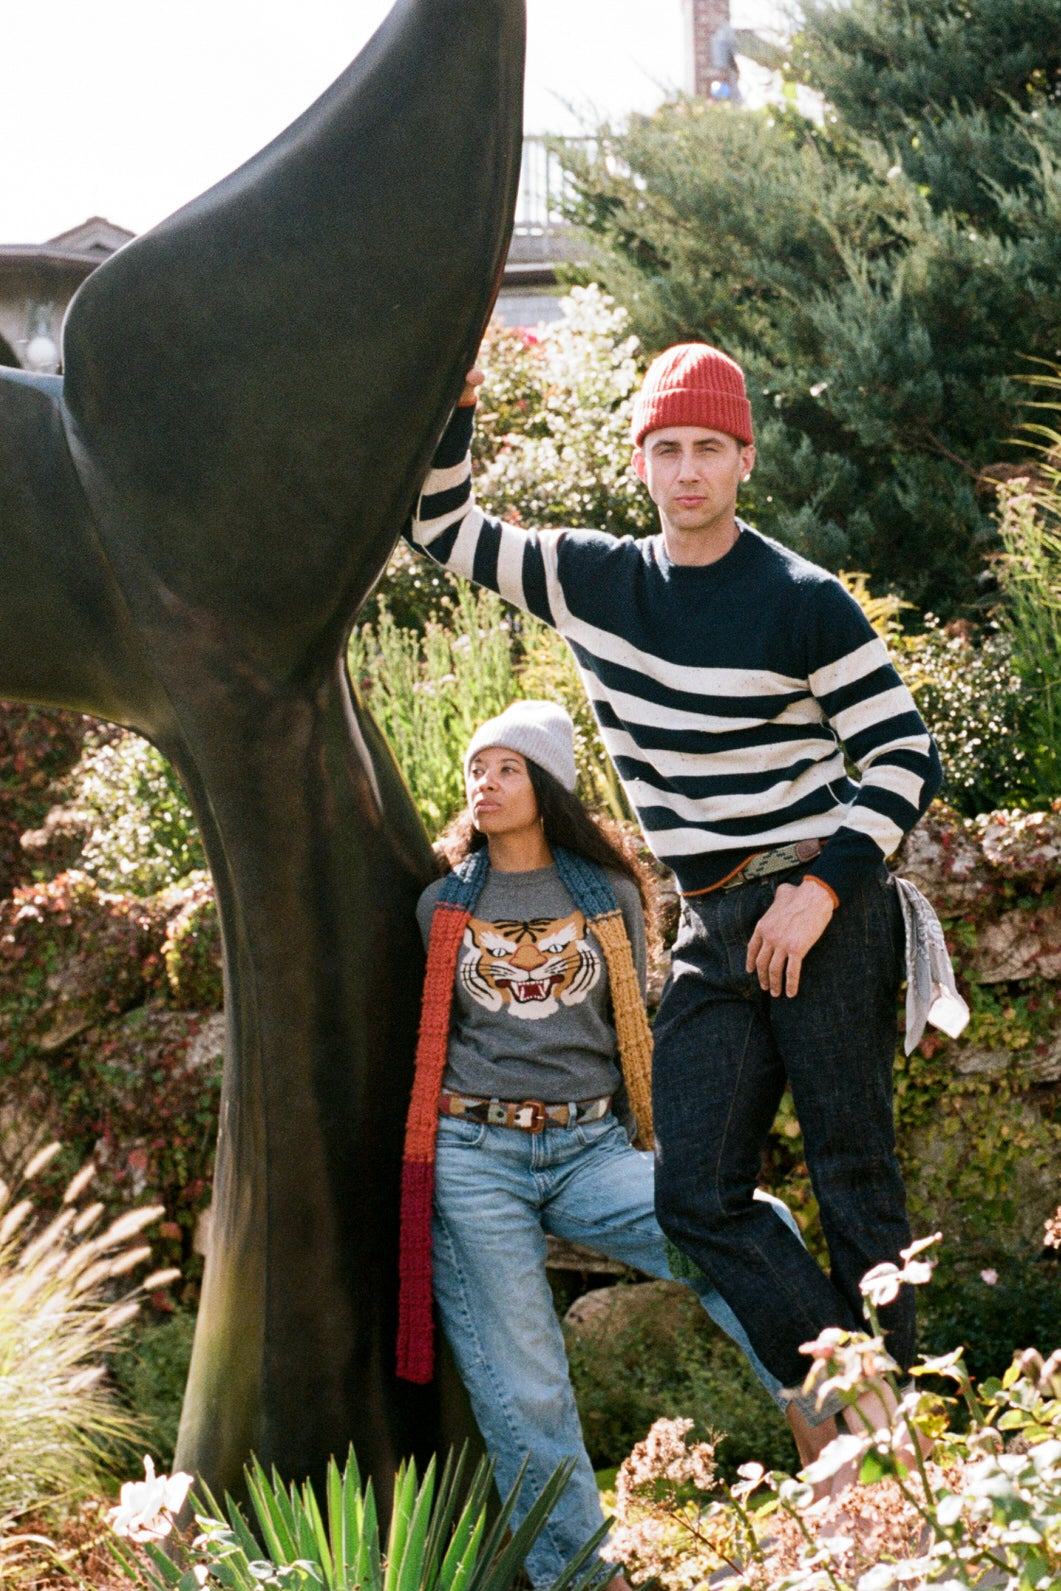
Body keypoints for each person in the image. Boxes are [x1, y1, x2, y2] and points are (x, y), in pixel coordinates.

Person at [404, 344, 943, 1461]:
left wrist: (821, 889)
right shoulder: (590, 578)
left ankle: (896, 1458)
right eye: (666, 449)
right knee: (693, 1194)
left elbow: (903, 753)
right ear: (640, 462)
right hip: (709, 922)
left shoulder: (801, 599)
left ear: (744, 460)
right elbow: (439, 527)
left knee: (852, 1178)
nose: (686, 469)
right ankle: (860, 1388)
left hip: (821, 908)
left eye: (708, 447)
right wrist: (454, 401)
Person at [395, 699, 805, 1589]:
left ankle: (826, 1418)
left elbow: (635, 1028)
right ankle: (587, 1578)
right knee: (527, 1384)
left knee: (747, 1222)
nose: (485, 783)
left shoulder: (608, 894)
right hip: (475, 1153)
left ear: (547, 785)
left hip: (590, 1147)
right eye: (476, 769)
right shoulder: (441, 902)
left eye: (507, 768)